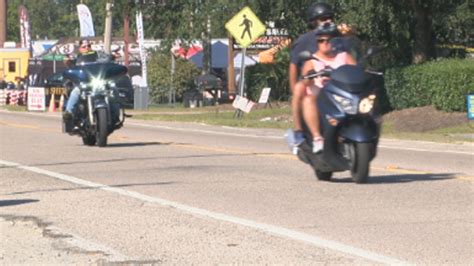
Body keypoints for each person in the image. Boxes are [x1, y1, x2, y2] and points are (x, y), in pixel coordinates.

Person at [288, 3, 354, 149]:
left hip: (339, 84)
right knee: (300, 89)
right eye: (324, 18)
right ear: (314, 21)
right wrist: (294, 92)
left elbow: (350, 59)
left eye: (330, 17)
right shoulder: (304, 40)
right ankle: (300, 131)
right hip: (315, 82)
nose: (328, 21)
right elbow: (294, 65)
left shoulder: (338, 37)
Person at [300, 22, 356, 153]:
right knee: (308, 100)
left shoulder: (344, 56)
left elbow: (357, 71)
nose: (325, 43)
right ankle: (317, 138)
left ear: (335, 41)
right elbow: (305, 82)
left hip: (343, 94)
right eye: (321, 40)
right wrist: (309, 76)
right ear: (317, 42)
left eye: (329, 39)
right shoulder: (312, 60)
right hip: (322, 98)